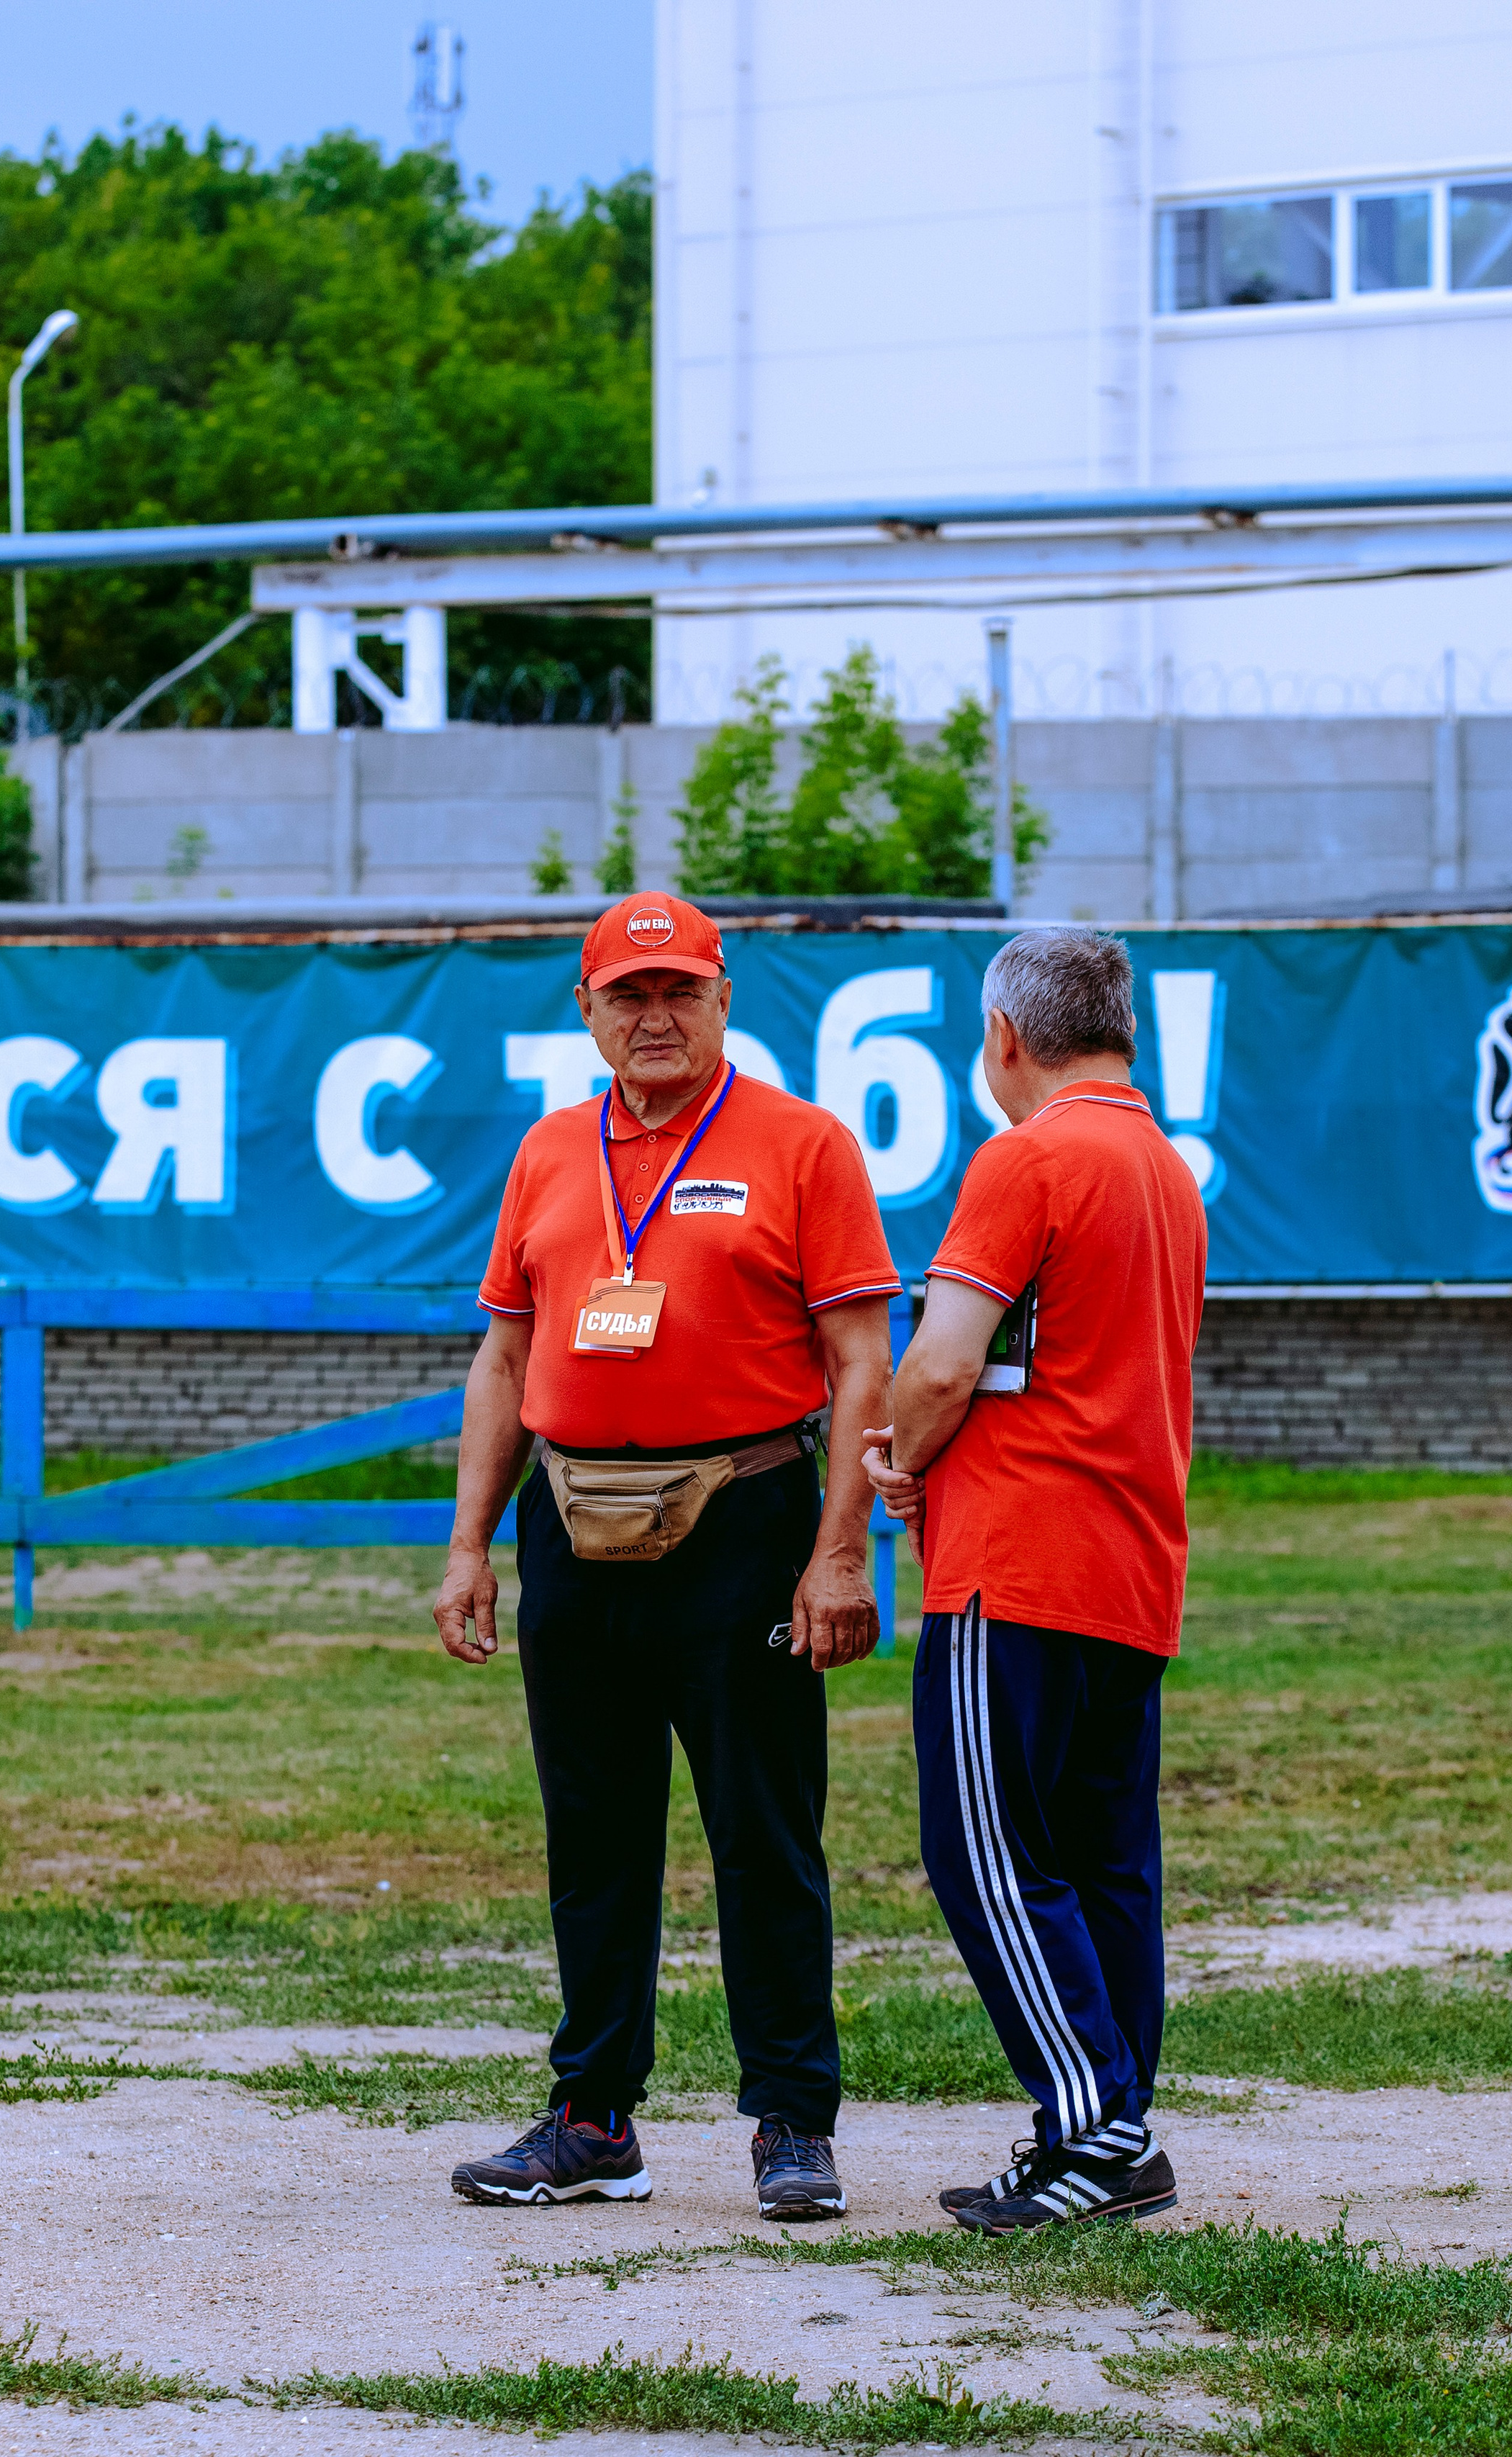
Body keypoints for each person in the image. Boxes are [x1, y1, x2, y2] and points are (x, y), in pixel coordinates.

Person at [433, 891, 899, 2224]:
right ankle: (594, 2119)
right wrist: (470, 1545)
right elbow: (507, 1357)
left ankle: (793, 2124)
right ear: (586, 1011)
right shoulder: (546, 1154)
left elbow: (862, 1358)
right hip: (571, 1531)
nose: (653, 1016)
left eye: (678, 991)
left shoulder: (802, 1145)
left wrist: (839, 1554)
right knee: (593, 1833)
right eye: (626, 995)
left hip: (740, 1528)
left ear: (723, 1002)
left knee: (764, 1832)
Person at [864, 928, 1205, 2235]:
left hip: (1015, 1562)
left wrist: (898, 1454)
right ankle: (1113, 2124)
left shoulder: (1029, 1157)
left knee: (990, 1854)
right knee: (1106, 1857)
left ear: (1005, 1036)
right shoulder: (1165, 1171)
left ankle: (1093, 2121)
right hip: (1130, 1559)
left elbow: (946, 1361)